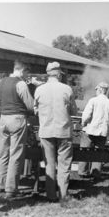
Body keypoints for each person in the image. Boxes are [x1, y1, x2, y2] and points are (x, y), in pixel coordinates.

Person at [34, 61, 77, 202]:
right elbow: (73, 110)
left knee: (49, 164)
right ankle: (63, 194)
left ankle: (51, 195)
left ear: (48, 74)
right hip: (63, 130)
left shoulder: (39, 90)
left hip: (46, 131)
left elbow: (35, 110)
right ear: (58, 74)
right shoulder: (67, 89)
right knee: (64, 164)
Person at [0, 61, 34, 199]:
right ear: (22, 71)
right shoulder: (21, 84)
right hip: (17, 119)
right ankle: (11, 188)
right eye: (27, 73)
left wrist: (3, 111)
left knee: (3, 153)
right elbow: (30, 106)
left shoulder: (1, 82)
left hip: (3, 119)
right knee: (15, 154)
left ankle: (0, 185)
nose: (27, 76)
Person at [78, 82, 109, 179]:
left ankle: (83, 171)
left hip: (90, 129)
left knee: (85, 151)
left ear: (100, 90)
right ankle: (96, 172)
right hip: (102, 131)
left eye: (96, 90)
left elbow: (86, 115)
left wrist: (83, 123)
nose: (96, 91)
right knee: (98, 152)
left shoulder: (93, 100)